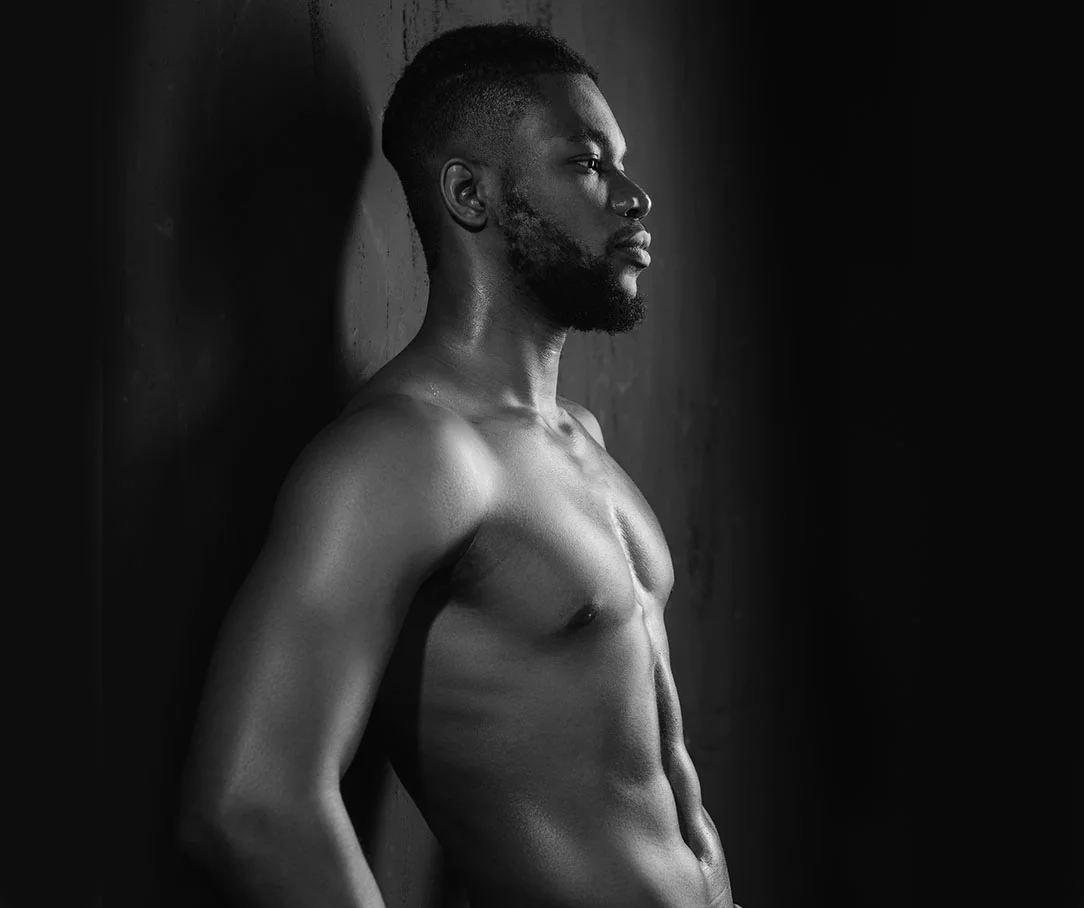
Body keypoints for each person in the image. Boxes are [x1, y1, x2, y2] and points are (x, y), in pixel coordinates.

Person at [179, 21, 738, 908]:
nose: (634, 198)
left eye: (620, 163)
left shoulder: (576, 438)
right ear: (470, 194)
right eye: (587, 164)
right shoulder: (408, 455)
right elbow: (251, 805)